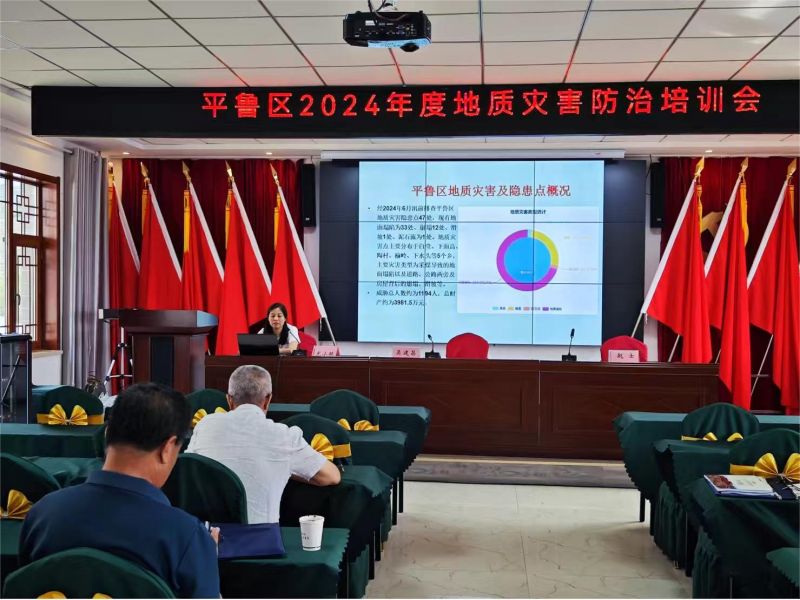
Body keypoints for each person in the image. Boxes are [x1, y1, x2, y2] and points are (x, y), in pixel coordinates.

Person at [19, 383, 220, 599]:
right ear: (168, 448)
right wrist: (205, 555)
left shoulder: (41, 515)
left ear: (107, 433)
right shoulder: (186, 537)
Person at [187, 364, 340, 524]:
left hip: (206, 534)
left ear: (229, 400)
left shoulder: (205, 425)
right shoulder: (284, 436)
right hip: (261, 537)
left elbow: (190, 468)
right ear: (267, 400)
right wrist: (284, 468)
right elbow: (332, 476)